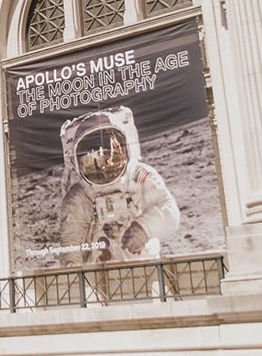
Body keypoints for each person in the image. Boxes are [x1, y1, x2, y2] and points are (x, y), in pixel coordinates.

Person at [57, 106, 180, 266]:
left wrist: (143, 228)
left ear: (127, 149)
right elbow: (72, 235)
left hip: (143, 264)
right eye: (93, 161)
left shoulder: (139, 176)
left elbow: (168, 209)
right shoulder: (81, 194)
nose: (104, 168)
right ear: (77, 163)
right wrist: (72, 264)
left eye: (113, 157)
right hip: (100, 269)